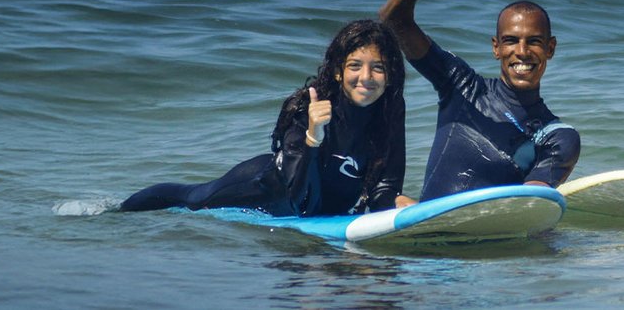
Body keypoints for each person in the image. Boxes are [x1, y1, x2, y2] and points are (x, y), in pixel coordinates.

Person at [119, 20, 413, 216]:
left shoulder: (390, 110)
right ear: (338, 71)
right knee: (191, 199)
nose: (366, 77)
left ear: (390, 75)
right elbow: (299, 200)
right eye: (354, 66)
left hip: (322, 210)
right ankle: (116, 215)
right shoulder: (308, 108)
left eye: (378, 68)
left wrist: (406, 207)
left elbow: (384, 189)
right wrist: (313, 137)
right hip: (263, 188)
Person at [376, 0, 580, 202]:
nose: (522, 52)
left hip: (488, 236)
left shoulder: (557, 136)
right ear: (496, 48)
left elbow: (532, 202)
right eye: (511, 41)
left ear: (550, 48)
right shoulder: (462, 87)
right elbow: (393, 21)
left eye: (535, 41)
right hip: (429, 228)